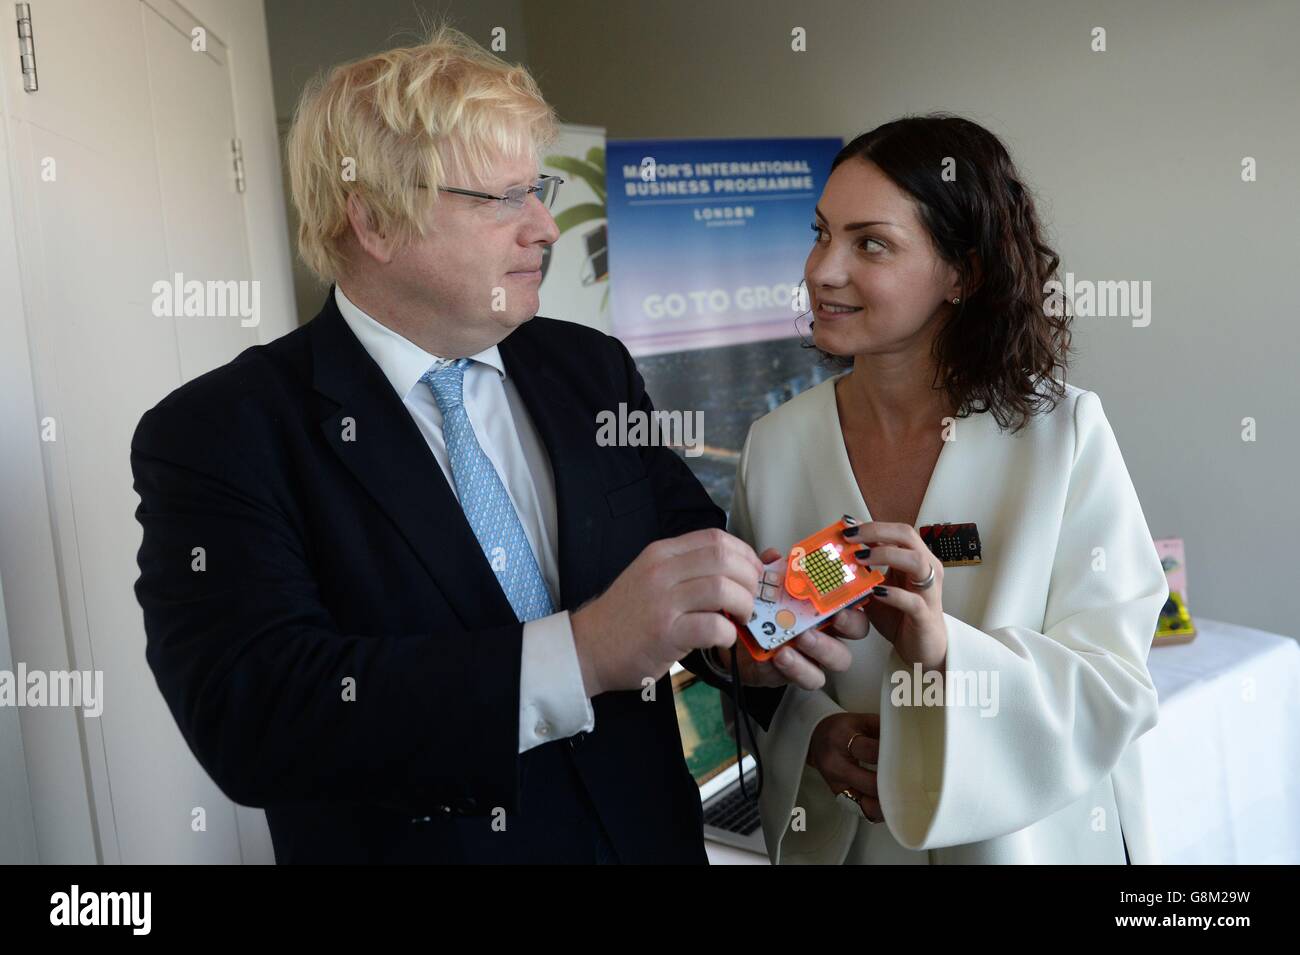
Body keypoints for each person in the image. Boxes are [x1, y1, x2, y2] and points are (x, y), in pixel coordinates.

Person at [129, 25, 846, 864]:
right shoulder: (222, 431)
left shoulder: (592, 369)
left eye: (537, 188)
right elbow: (253, 716)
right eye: (506, 197)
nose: (545, 225)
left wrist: (759, 643)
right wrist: (577, 654)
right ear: (374, 220)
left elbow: (690, 568)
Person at [722, 115, 1168, 864]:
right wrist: (812, 734)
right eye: (821, 232)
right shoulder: (776, 447)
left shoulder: (1064, 437)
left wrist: (945, 655)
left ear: (963, 273)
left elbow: (1114, 688)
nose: (822, 270)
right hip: (851, 841)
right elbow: (755, 667)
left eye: (870, 243)